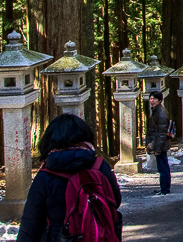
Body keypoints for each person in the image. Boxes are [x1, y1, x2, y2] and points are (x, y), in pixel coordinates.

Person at [18, 113, 122, 242]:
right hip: (97, 236)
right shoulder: (100, 167)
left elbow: (31, 223)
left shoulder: (45, 176)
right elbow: (115, 201)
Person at [146, 90, 171, 195]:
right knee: (162, 167)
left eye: (154, 99)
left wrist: (158, 149)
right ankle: (163, 188)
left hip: (160, 144)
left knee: (163, 168)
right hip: (158, 143)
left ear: (160, 100)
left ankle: (165, 189)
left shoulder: (160, 113)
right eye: (151, 98)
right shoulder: (156, 111)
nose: (152, 101)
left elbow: (161, 133)